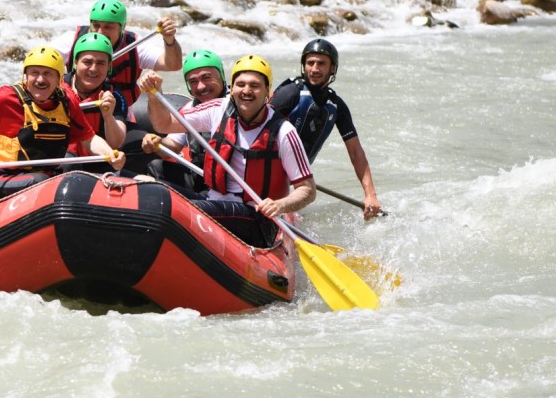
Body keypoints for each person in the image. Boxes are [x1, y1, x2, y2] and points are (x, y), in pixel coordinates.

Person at [140, 55, 314, 248]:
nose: (246, 91)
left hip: (256, 216)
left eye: (254, 85)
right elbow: (163, 124)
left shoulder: (284, 132)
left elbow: (307, 190)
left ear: (267, 91)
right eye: (240, 84)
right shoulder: (218, 109)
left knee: (176, 208)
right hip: (213, 200)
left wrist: (280, 205)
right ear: (232, 89)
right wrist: (154, 94)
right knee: (144, 186)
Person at [0, 46, 126, 202]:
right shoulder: (4, 98)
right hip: (1, 178)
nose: (40, 80)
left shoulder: (67, 100)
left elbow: (88, 138)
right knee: (42, 182)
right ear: (25, 76)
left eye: (47, 73)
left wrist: (110, 154)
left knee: (74, 172)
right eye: (34, 73)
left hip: (48, 175)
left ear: (59, 79)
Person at [269, 38, 382, 219]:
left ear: (332, 68)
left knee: (292, 217)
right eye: (310, 63)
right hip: (266, 171)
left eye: (321, 63)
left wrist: (370, 195)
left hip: (293, 180)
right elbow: (256, 128)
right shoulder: (289, 94)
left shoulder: (337, 106)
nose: (314, 69)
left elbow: (355, 152)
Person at [64, 0, 182, 110]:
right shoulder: (72, 40)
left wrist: (169, 40)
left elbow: (173, 65)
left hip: (120, 111)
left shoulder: (135, 45)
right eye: (96, 25)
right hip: (76, 109)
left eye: (108, 27)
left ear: (122, 28)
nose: (100, 32)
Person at [139, 48, 228, 193]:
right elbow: (172, 147)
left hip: (228, 184)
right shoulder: (190, 108)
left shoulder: (235, 105)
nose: (201, 86)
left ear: (221, 76)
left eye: (207, 77)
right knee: (156, 166)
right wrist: (157, 143)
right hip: (200, 176)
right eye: (193, 81)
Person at [61, 31, 127, 171]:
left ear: (109, 67)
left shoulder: (115, 96)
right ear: (75, 63)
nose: (93, 69)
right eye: (87, 62)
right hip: (63, 161)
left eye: (101, 63)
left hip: (100, 162)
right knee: (68, 163)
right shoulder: (56, 91)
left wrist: (108, 117)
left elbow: (115, 143)